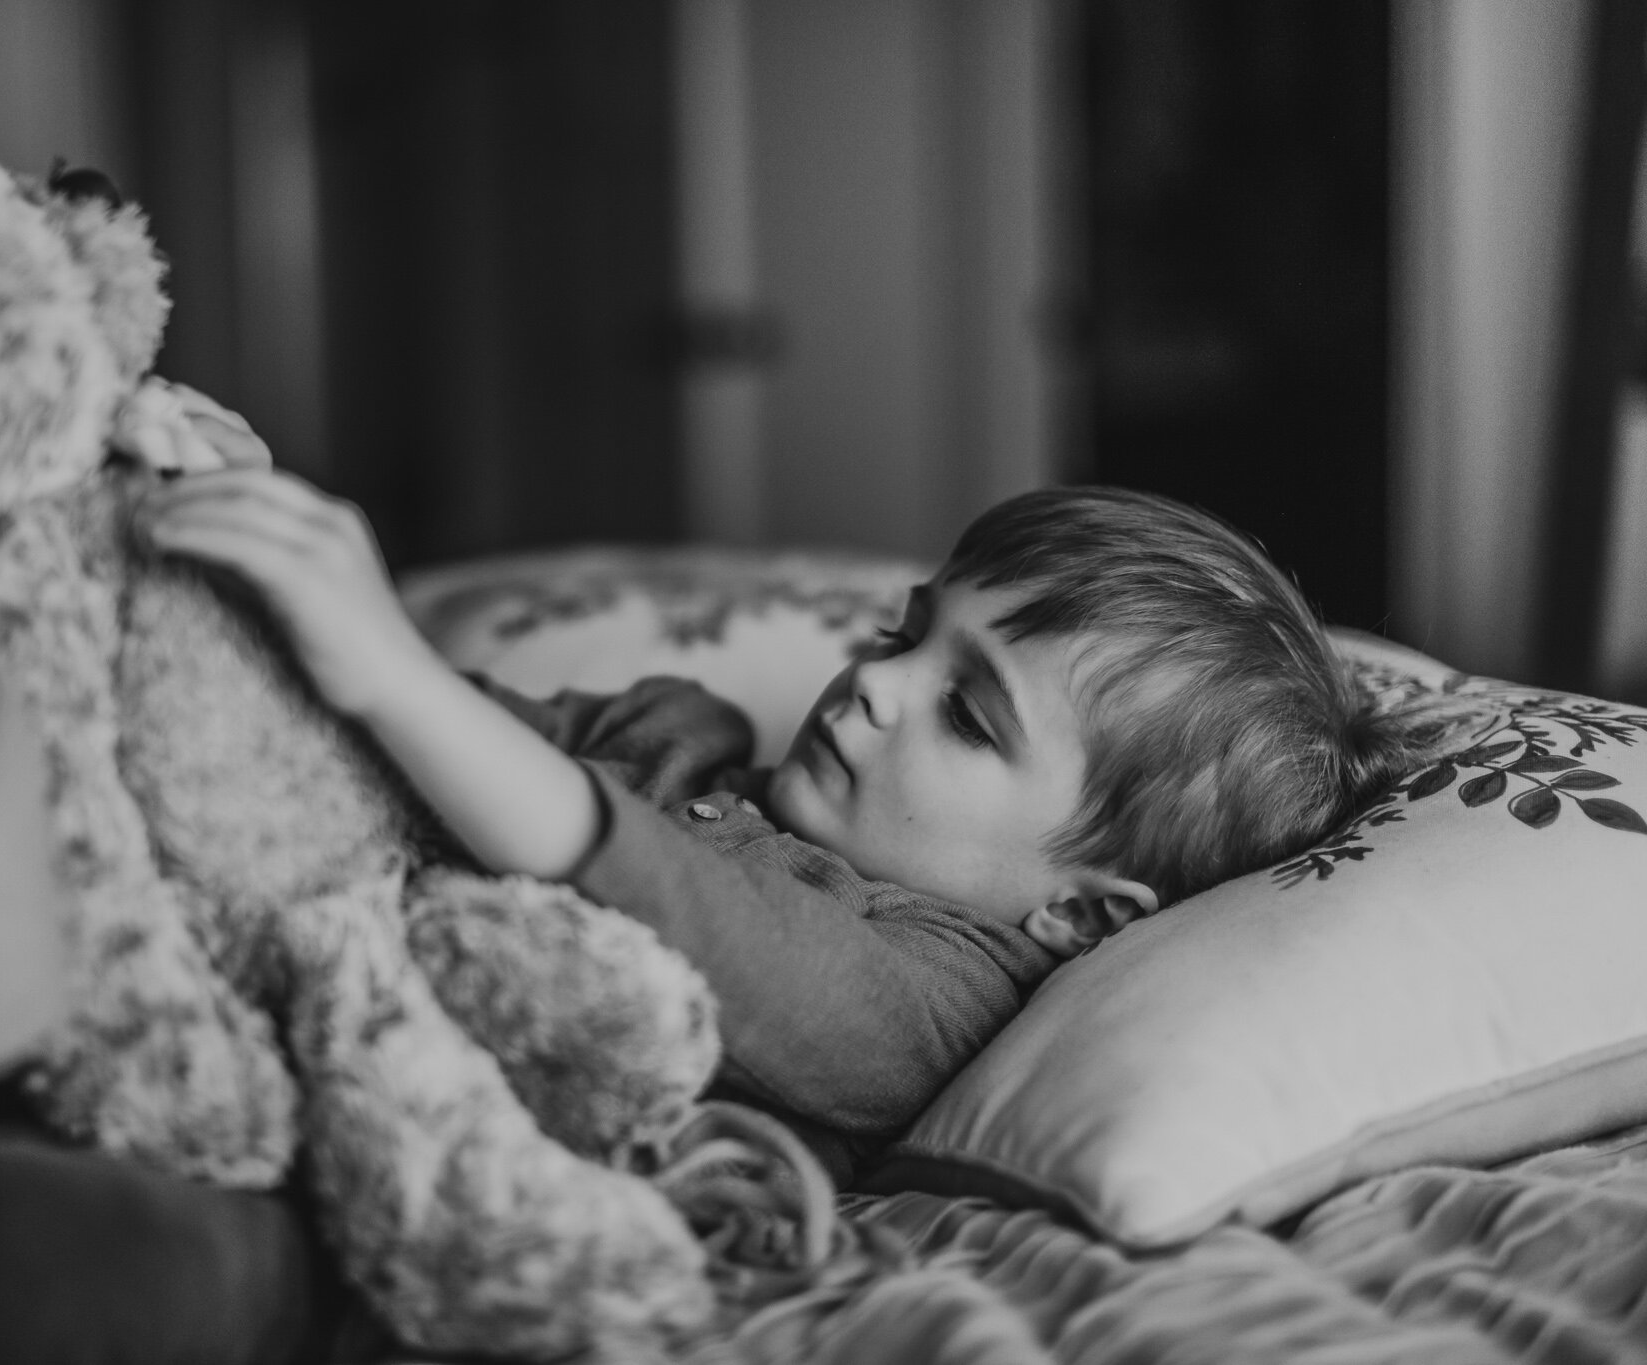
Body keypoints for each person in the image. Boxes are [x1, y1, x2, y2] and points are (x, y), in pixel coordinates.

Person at [133, 463, 1458, 1187]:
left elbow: (694, 916)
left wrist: (393, 670)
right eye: (907, 631)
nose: (876, 683)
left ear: (1082, 911)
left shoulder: (931, 1000)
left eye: (969, 715)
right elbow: (349, 744)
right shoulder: (679, 736)